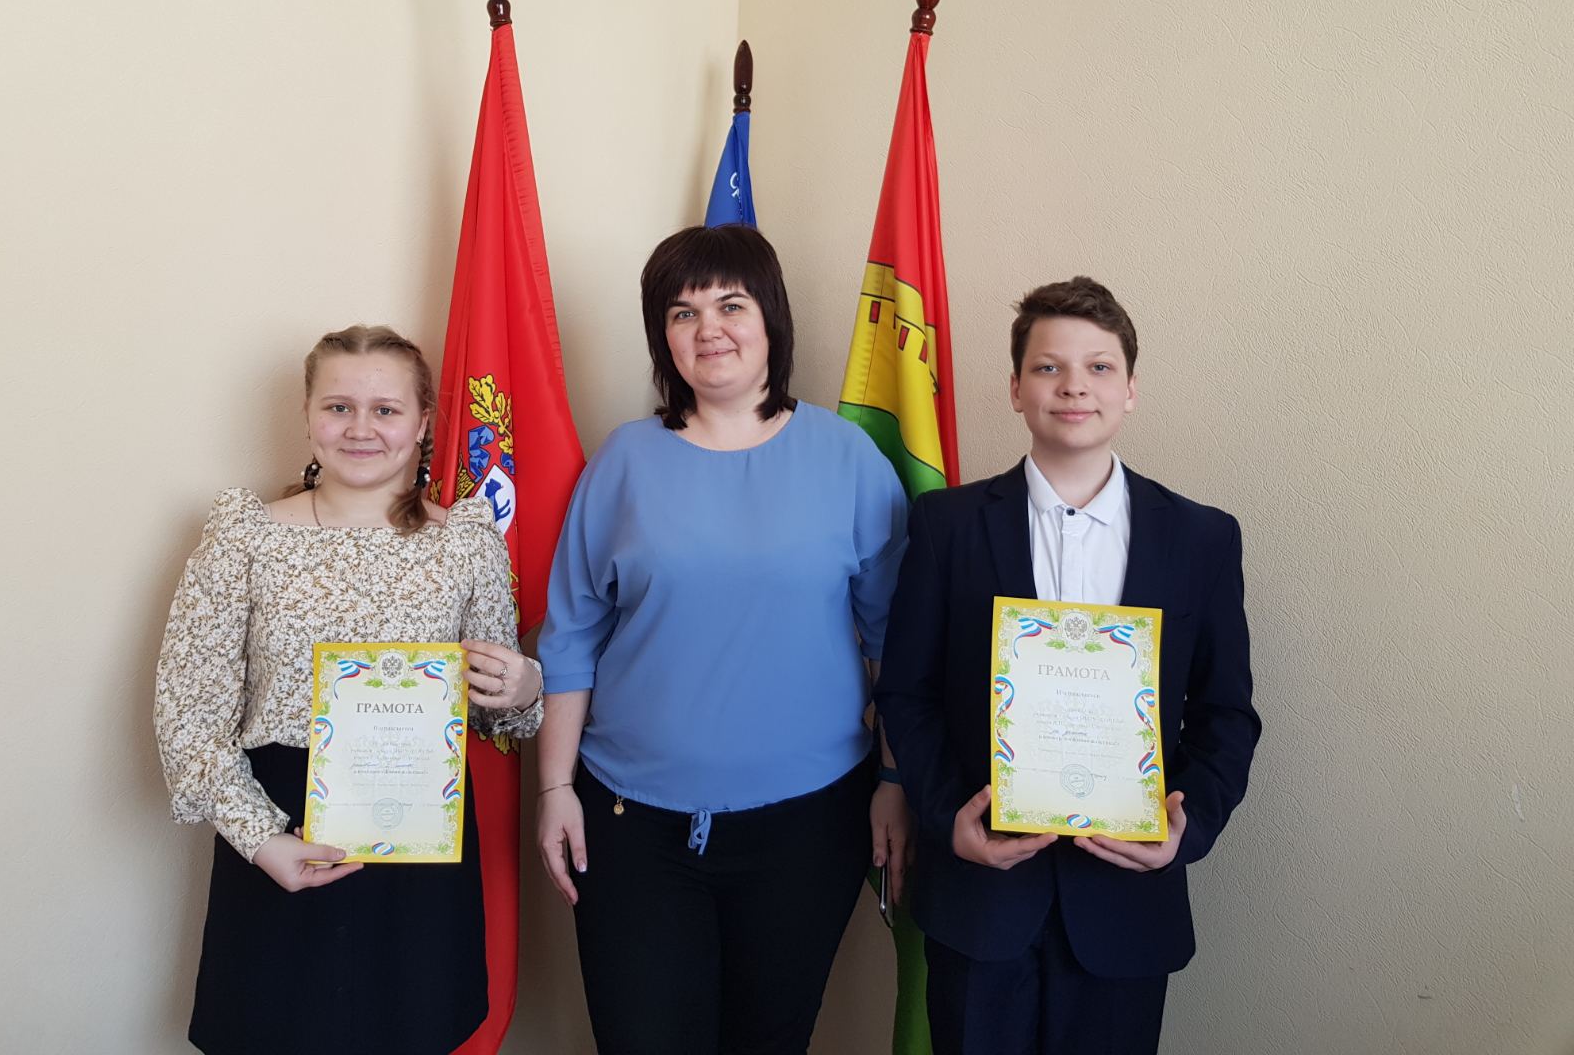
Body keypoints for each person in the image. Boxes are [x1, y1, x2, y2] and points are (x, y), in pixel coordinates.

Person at [534, 225, 911, 1055]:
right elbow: (570, 637)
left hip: (809, 827)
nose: (709, 328)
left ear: (770, 316)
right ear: (663, 337)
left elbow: (894, 642)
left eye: (730, 304)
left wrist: (893, 778)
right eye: (683, 312)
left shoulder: (848, 459)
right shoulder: (623, 462)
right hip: (630, 827)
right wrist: (554, 787)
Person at [875, 277, 1261, 1054]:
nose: (1074, 386)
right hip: (980, 900)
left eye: (1099, 367)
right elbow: (907, 694)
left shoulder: (1201, 538)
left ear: (1131, 389)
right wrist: (950, 818)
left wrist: (1184, 830)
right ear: (1015, 389)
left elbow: (1227, 715)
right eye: (1048, 367)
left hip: (1126, 904)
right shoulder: (947, 525)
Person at [153, 324, 543, 1055]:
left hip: (422, 834)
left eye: (386, 410)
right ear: (308, 416)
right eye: (339, 407)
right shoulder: (245, 538)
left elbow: (499, 716)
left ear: (422, 423)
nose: (361, 428)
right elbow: (189, 714)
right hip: (281, 824)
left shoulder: (465, 542)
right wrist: (261, 839)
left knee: (413, 1030)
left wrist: (523, 687)